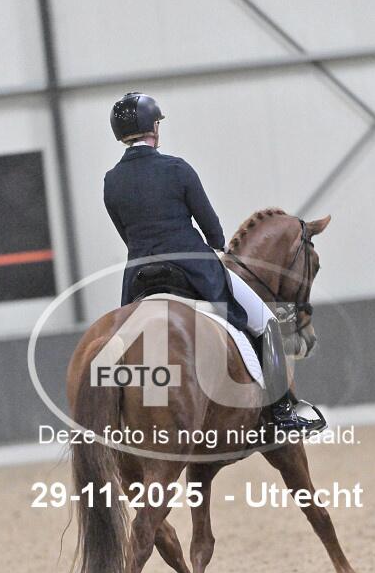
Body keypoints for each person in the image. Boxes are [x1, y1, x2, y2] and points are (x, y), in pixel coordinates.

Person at [104, 92, 323, 434]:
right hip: (193, 270)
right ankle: (282, 411)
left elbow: (126, 234)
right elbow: (210, 225)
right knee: (266, 322)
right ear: (154, 128)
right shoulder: (177, 169)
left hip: (140, 278)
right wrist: (217, 244)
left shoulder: (111, 181)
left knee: (121, 343)